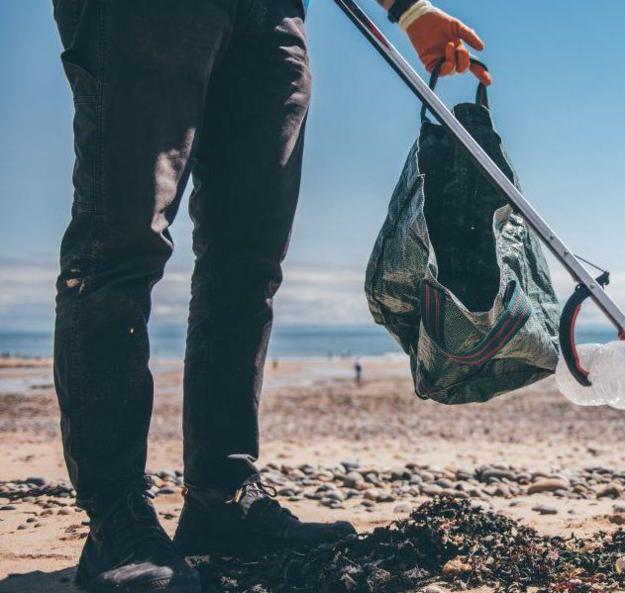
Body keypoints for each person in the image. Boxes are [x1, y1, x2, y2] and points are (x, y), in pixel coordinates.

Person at [50, 1, 489, 592]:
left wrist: (407, 9)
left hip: (272, 14)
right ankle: (115, 521)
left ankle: (223, 499)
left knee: (248, 263)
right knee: (120, 246)